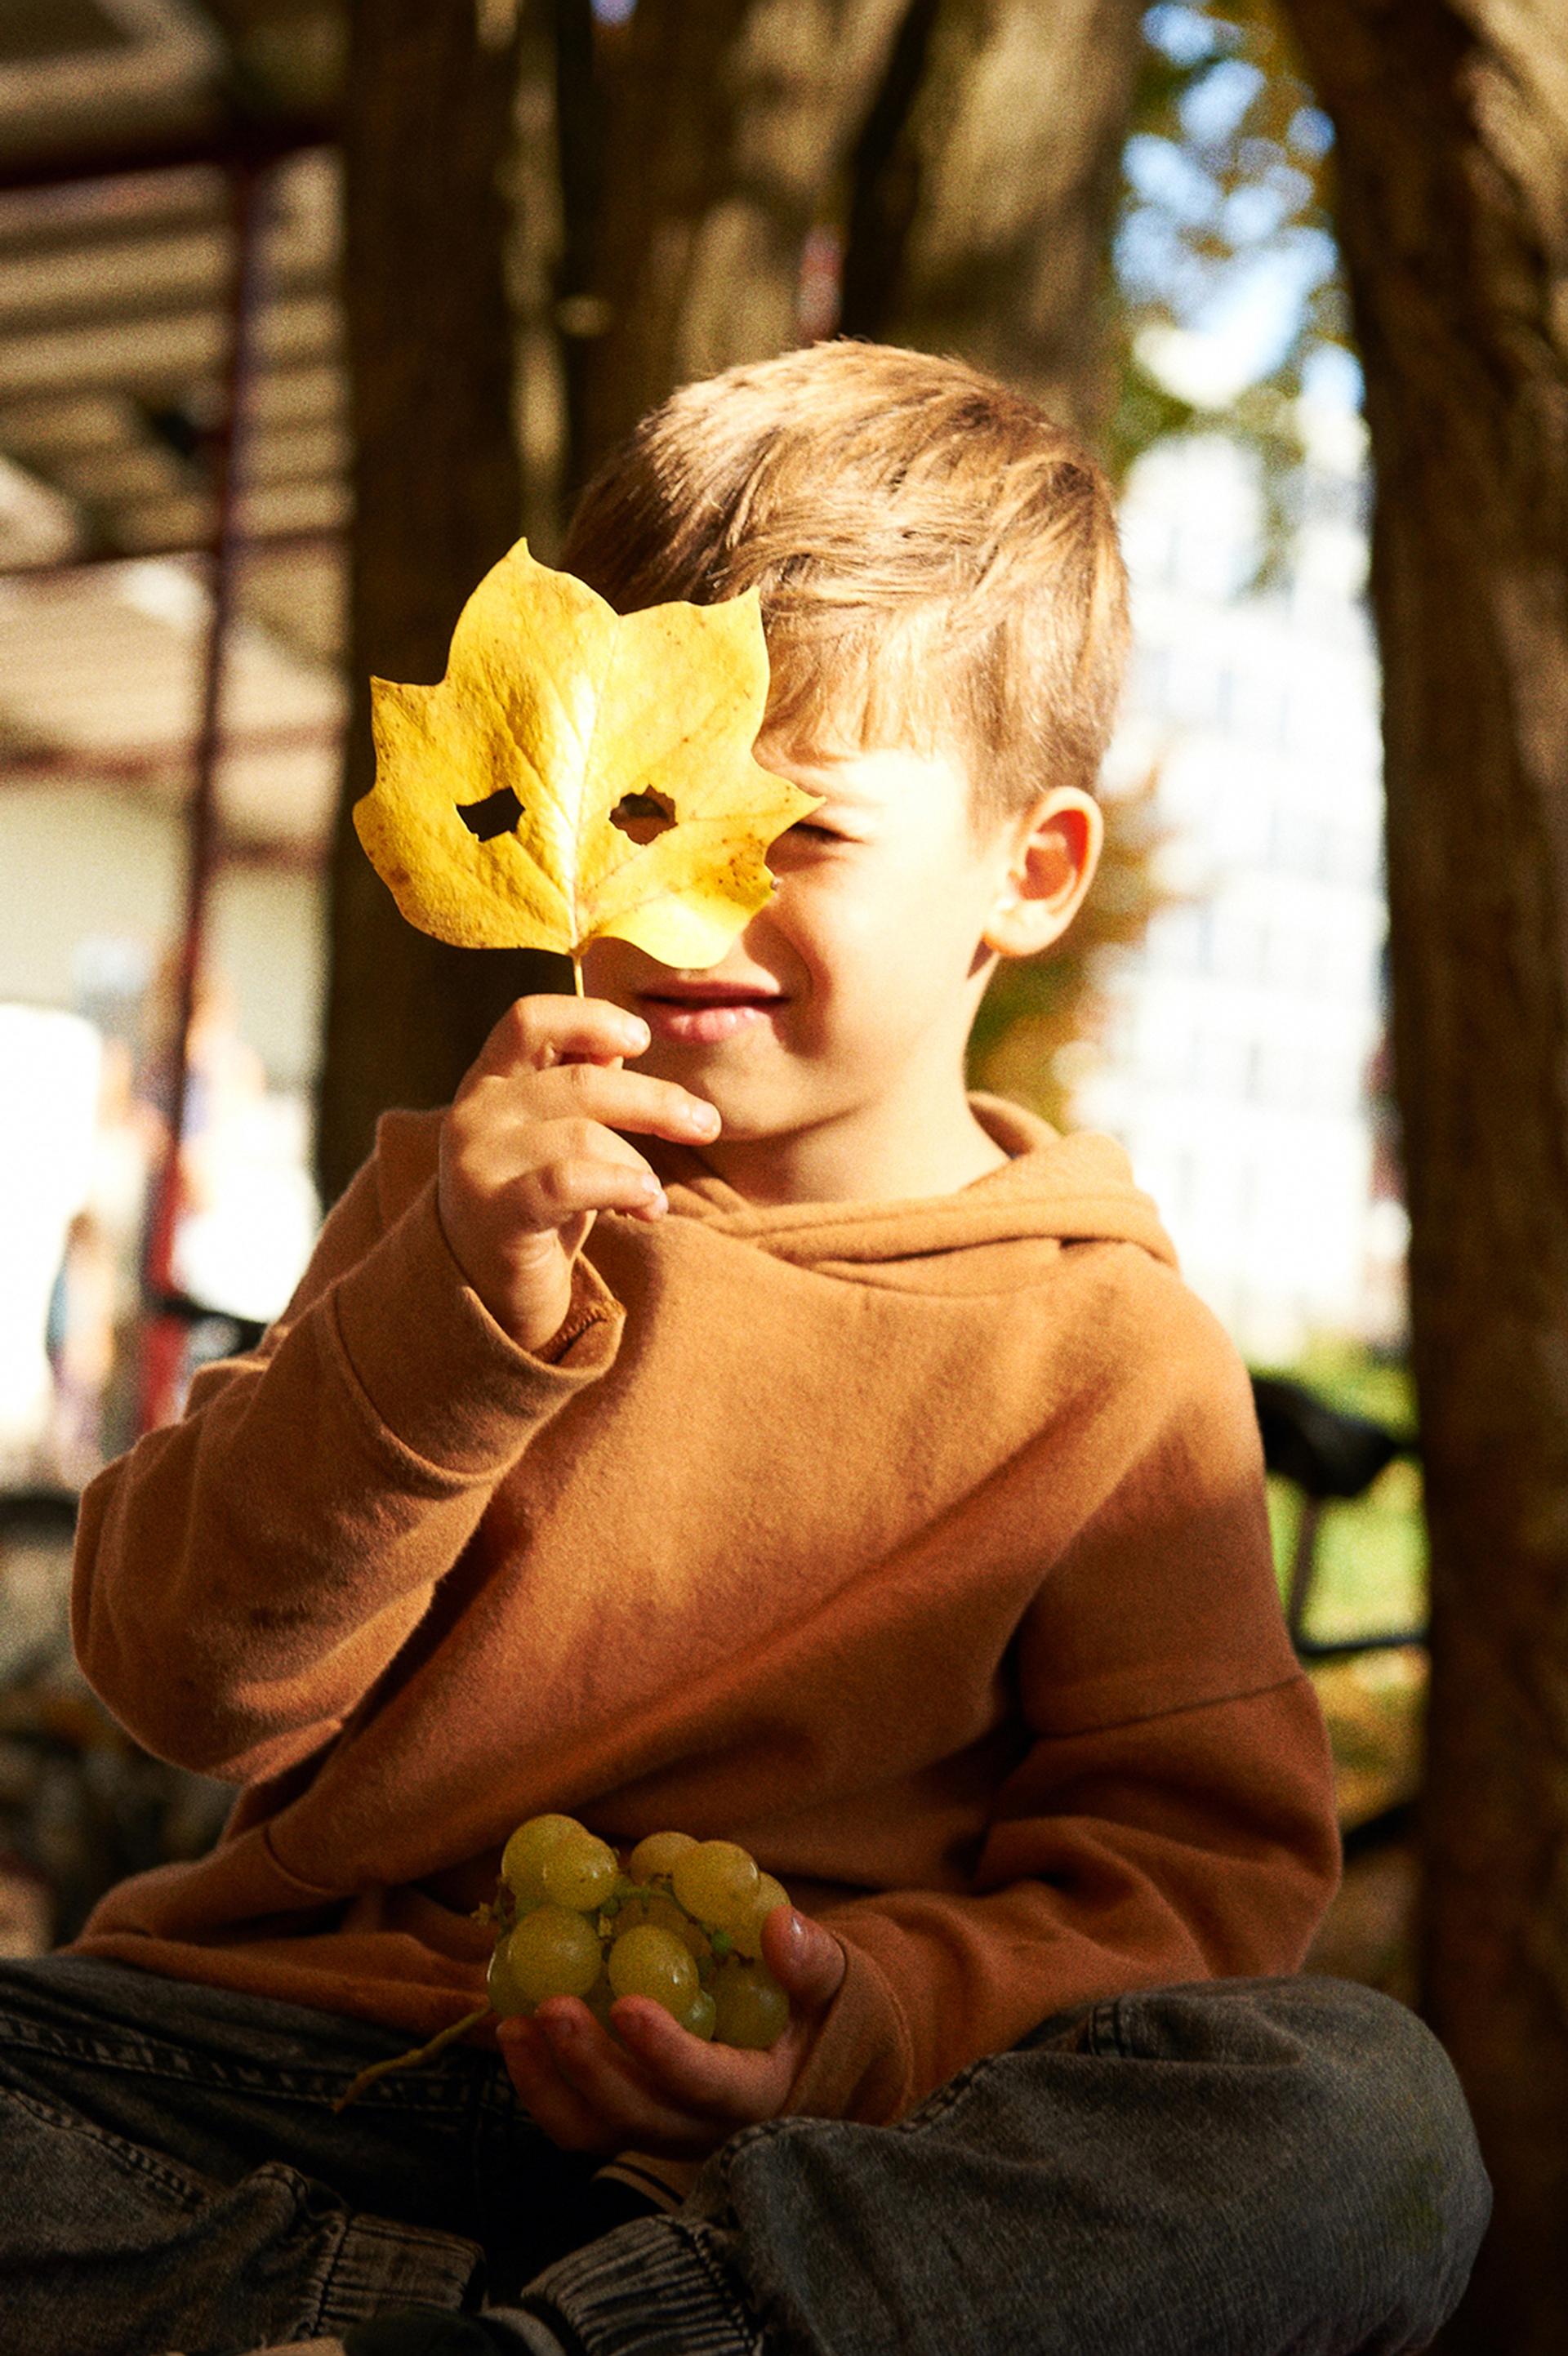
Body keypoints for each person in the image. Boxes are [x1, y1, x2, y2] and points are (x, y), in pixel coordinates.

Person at [0, 343, 1488, 2356]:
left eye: (798, 834)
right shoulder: (463, 1215)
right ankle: (421, 2326)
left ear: (1030, 873)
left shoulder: (1114, 1357)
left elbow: (1193, 1893)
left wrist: (849, 2027)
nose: (688, 901)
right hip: (285, 2077)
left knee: (1362, 2119)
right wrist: (452, 1313)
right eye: (636, 804)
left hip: (820, 2171)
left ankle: (606, 2335)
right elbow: (180, 1678)